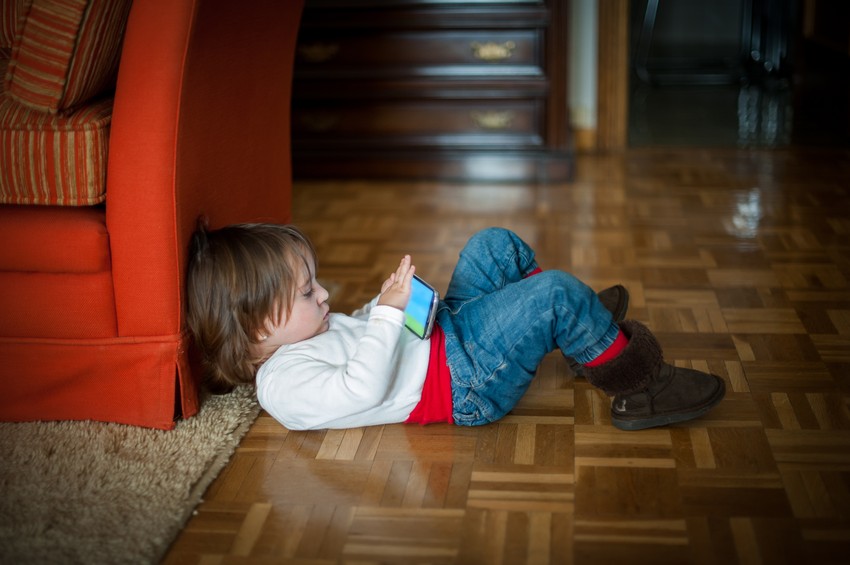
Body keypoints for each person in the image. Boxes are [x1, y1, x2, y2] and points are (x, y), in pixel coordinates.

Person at [186, 223, 725, 432]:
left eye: (315, 282)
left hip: (446, 335)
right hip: (462, 380)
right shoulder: (284, 388)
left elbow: (372, 334)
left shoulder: (303, 332)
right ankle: (639, 385)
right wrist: (391, 314)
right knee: (555, 293)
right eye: (307, 292)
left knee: (493, 244)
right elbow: (363, 385)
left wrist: (391, 304)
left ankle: (578, 337)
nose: (324, 293)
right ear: (256, 328)